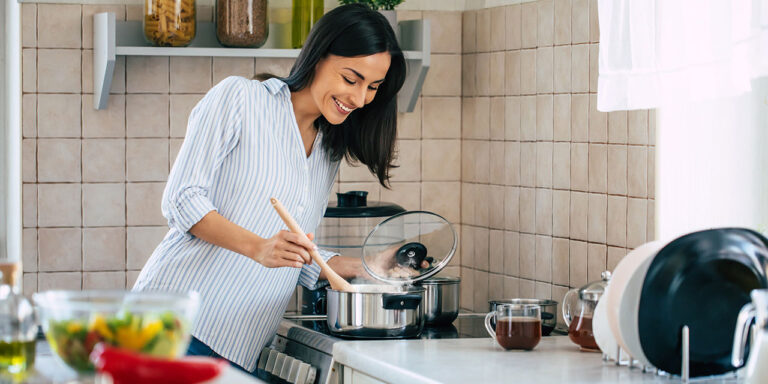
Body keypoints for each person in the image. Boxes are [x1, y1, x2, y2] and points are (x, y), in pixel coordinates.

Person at [132, 4, 408, 374]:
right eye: (351, 79)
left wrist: (370, 267)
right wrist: (259, 247)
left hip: (240, 346)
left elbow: (293, 252)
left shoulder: (328, 149)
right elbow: (182, 200)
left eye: (373, 87)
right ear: (319, 55)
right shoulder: (241, 99)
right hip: (170, 328)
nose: (359, 99)